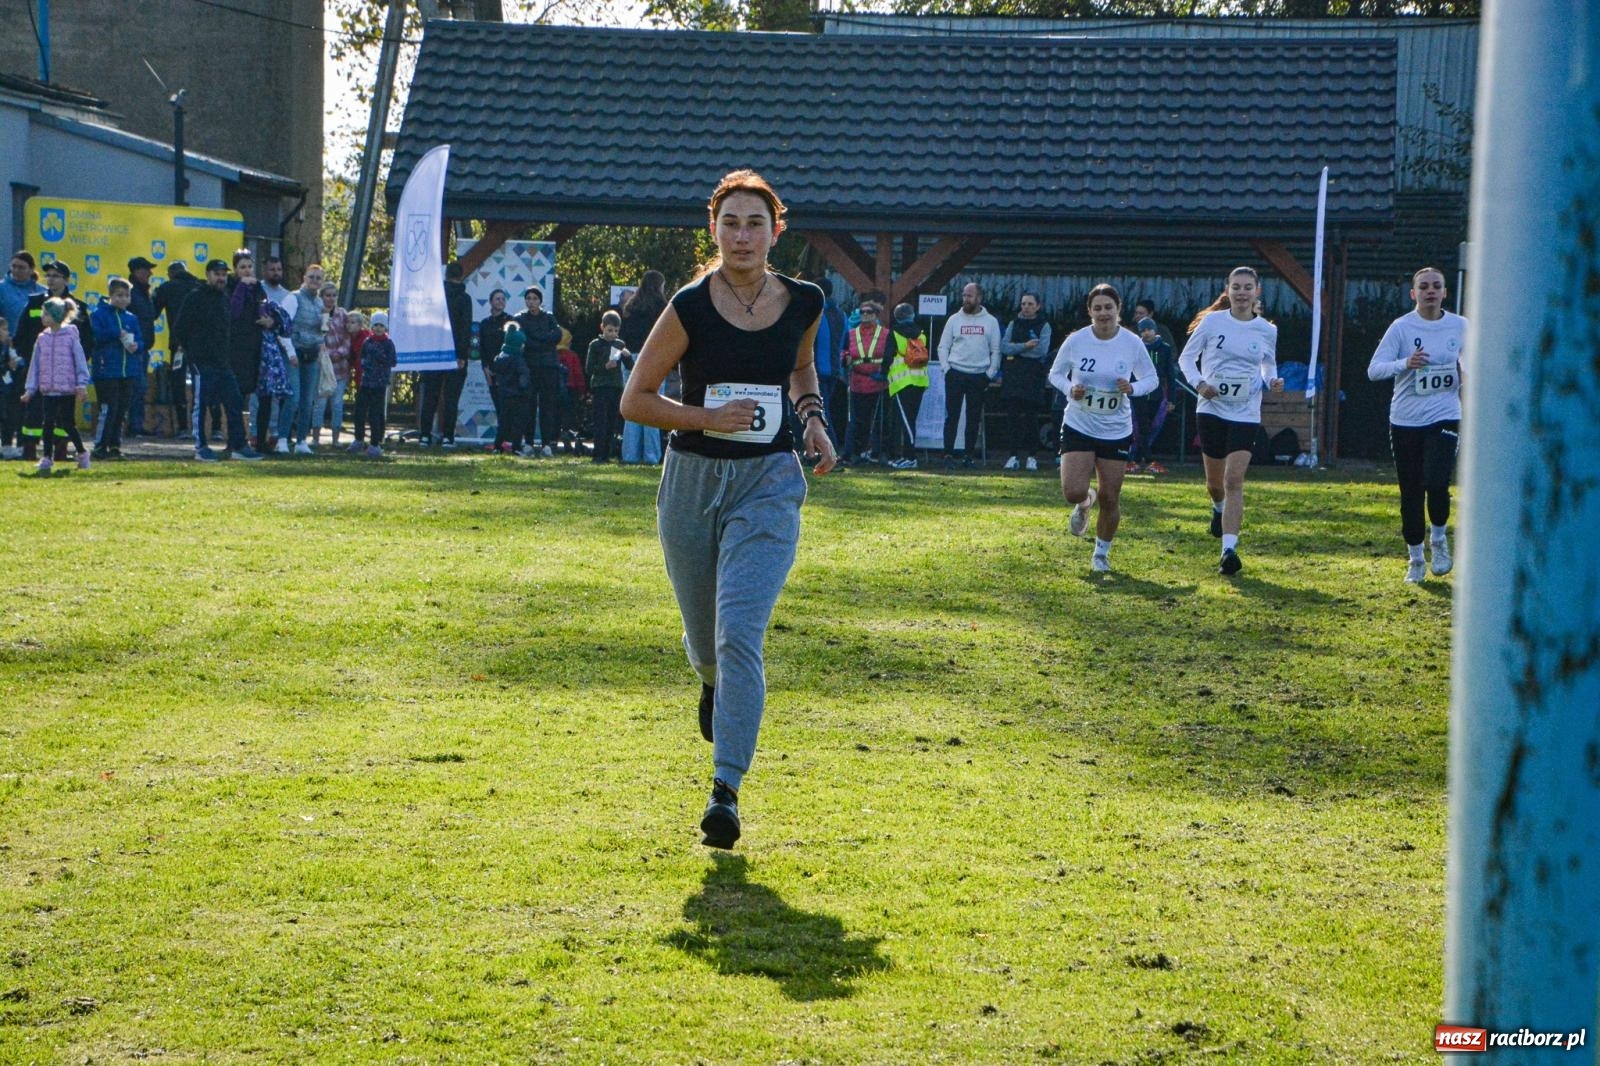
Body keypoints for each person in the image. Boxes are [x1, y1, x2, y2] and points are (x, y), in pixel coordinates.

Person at [619, 169, 836, 850]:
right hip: (692, 480)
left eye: (755, 223)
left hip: (768, 482)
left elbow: (799, 366)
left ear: (777, 231)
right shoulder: (689, 306)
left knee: (740, 632)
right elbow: (635, 399)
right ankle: (712, 682)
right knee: (705, 637)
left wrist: (813, 419)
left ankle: (726, 789)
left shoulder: (805, 301)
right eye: (731, 223)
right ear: (713, 230)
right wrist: (708, 417)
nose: (742, 236)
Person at [1178, 266, 1285, 576]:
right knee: (1215, 485)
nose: (1241, 292)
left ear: (1257, 291)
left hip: (1245, 412)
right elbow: (1186, 358)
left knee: (1233, 480)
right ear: (1228, 290)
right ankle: (1218, 508)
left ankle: (1229, 550)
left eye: (1247, 287)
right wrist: (1200, 384)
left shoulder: (1267, 330)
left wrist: (1272, 380)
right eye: (1236, 287)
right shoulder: (1213, 323)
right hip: (1211, 409)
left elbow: (1268, 364)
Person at [1048, 285, 1160, 572]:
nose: (1103, 313)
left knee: (1110, 496)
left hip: (1115, 429)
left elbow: (1151, 379)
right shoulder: (1076, 341)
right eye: (1097, 308)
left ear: (1118, 309)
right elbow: (1055, 374)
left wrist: (1132, 388)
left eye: (1108, 307)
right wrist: (1070, 388)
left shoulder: (1132, 343)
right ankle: (1085, 502)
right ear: (1090, 311)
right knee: (1073, 491)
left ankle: (1101, 554)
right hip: (1079, 423)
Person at [1368, 266, 1465, 584]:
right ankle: (1415, 558)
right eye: (1424, 287)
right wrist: (1405, 363)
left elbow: (1475, 361)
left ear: (1445, 292)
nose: (1430, 291)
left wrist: (1466, 375)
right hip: (1406, 420)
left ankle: (1438, 540)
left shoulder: (1460, 326)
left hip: (1445, 414)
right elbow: (1374, 370)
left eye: (1436, 286)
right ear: (1414, 293)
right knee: (1411, 490)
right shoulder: (1401, 328)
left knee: (1437, 481)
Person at [177, 260, 261, 462]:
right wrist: (192, 352)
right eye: (217, 274)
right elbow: (180, 327)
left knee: (234, 401)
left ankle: (238, 445)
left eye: (224, 274)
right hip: (201, 361)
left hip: (223, 362)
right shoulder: (195, 297)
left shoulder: (224, 298)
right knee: (201, 404)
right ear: (208, 275)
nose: (221, 278)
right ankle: (201, 447)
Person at [15, 261, 88, 462]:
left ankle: (62, 452)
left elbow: (86, 343)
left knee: (64, 419)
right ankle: (30, 452)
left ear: (66, 280)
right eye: (48, 275)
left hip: (65, 375)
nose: (51, 280)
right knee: (34, 414)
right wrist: (29, 359)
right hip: (40, 370)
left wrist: (76, 374)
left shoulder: (77, 307)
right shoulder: (35, 302)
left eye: (56, 276)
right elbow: (21, 335)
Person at [21, 297, 92, 474]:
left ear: (57, 316)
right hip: (48, 390)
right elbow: (35, 365)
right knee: (48, 423)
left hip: (66, 389)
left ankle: (82, 452)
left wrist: (81, 384)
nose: (42, 317)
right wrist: (30, 389)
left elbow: (80, 361)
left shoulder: (71, 336)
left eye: (46, 314)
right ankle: (47, 457)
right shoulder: (42, 338)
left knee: (68, 423)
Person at [937, 281, 1002, 469]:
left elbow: (996, 350)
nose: (965, 299)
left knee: (973, 418)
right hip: (955, 373)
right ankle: (948, 455)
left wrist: (989, 374)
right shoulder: (954, 319)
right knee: (952, 416)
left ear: (979, 298)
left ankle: (968, 456)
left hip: (978, 375)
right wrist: (946, 368)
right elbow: (943, 346)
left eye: (969, 296)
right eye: (964, 295)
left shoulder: (991, 322)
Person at [88, 277, 146, 459]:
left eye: (126, 295)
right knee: (109, 408)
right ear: (110, 296)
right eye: (119, 295)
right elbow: (96, 337)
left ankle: (115, 445)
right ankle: (100, 446)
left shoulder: (131, 318)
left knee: (122, 409)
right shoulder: (99, 314)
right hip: (106, 370)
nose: (123, 299)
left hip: (128, 370)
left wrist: (137, 346)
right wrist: (115, 333)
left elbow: (141, 339)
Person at [417, 261, 473, 446]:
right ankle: (448, 436)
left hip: (434, 352)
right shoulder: (465, 299)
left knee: (430, 396)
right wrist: (462, 356)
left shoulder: (434, 297)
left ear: (446, 275)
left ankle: (425, 435)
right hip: (455, 354)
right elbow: (465, 329)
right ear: (461, 276)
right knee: (451, 398)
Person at [999, 291, 1052, 471]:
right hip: (1013, 376)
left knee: (1031, 418)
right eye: (1023, 304)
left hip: (1033, 377)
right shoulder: (1013, 323)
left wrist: (1017, 350)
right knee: (1012, 418)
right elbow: (1004, 347)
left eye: (1030, 304)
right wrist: (1025, 346)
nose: (1026, 307)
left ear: (1037, 306)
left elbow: (1041, 350)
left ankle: (1032, 456)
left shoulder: (1044, 325)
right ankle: (1013, 456)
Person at [226, 252, 274, 450]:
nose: (247, 271)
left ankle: (261, 440)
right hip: (237, 348)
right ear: (235, 270)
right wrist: (241, 287)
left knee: (264, 395)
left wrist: (269, 320)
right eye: (242, 267)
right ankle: (235, 440)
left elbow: (265, 309)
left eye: (249, 267)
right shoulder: (231, 287)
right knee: (236, 395)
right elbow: (233, 312)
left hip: (258, 347)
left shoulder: (259, 288)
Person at [153, 262, 202, 438]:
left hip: (178, 344)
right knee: (200, 384)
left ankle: (182, 427)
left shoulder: (167, 288)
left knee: (178, 383)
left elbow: (152, 312)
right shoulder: (199, 286)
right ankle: (205, 427)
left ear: (170, 274)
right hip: (200, 344)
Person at [841, 300, 891, 464]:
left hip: (879, 383)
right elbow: (844, 351)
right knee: (858, 420)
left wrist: (884, 372)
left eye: (869, 312)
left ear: (876, 315)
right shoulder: (851, 334)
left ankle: (877, 452)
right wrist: (845, 358)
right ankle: (854, 452)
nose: (865, 315)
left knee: (879, 421)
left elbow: (890, 355)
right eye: (862, 312)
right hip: (857, 382)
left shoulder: (885, 334)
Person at [285, 263, 327, 454]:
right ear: (304, 278)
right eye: (311, 277)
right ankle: (282, 438)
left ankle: (301, 440)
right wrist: (290, 353)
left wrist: (321, 346)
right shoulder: (294, 298)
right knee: (293, 398)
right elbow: (284, 327)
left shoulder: (320, 304)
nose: (314, 281)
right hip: (294, 354)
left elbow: (321, 331)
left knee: (308, 401)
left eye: (318, 278)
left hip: (312, 355)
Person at [515, 287, 563, 455]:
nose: (531, 302)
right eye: (528, 298)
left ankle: (546, 444)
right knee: (528, 405)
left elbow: (557, 335)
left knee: (547, 406)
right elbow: (524, 340)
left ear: (540, 301)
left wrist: (537, 339)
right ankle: (528, 442)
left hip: (548, 367)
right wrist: (544, 341)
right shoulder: (519, 318)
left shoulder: (549, 317)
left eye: (535, 298)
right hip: (529, 368)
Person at [884, 302, 929, 469]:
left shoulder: (894, 333)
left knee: (906, 421)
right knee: (911, 419)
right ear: (912, 315)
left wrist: (882, 373)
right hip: (920, 381)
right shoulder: (921, 333)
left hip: (902, 382)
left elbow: (888, 357)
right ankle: (906, 456)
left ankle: (910, 458)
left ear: (896, 317)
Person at [1129, 316, 1174, 473]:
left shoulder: (1165, 349)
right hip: (1139, 393)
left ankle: (1137, 459)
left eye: (1149, 329)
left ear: (1155, 330)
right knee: (1141, 426)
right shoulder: (1136, 348)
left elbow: (1170, 374)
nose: (1146, 333)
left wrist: (1171, 399)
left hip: (1156, 394)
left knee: (1150, 427)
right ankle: (1146, 459)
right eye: (1143, 330)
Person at [350, 312, 396, 458]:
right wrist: (366, 365)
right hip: (366, 382)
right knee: (359, 412)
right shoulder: (367, 342)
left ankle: (375, 444)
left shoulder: (388, 343)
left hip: (380, 384)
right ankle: (358, 439)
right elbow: (362, 357)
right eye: (376, 325)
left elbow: (392, 361)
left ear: (385, 327)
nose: (378, 328)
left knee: (375, 414)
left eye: (381, 325)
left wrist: (380, 357)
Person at [122, 257, 159, 437]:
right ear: (136, 271)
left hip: (143, 349)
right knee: (136, 388)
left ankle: (137, 424)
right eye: (146, 270)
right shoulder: (130, 293)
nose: (150, 273)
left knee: (140, 388)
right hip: (133, 350)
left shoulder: (143, 293)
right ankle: (134, 426)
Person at [586, 310, 628, 463]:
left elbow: (630, 366)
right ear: (602, 327)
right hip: (600, 387)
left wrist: (627, 356)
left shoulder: (619, 344)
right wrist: (605, 366)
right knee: (600, 421)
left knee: (611, 421)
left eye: (616, 331)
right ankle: (597, 454)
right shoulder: (595, 345)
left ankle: (607, 455)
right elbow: (589, 368)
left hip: (615, 386)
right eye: (610, 330)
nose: (613, 334)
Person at [316, 284, 351, 445]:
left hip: (340, 367)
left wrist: (340, 353)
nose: (331, 299)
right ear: (321, 296)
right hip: (322, 367)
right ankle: (315, 437)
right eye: (327, 295)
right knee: (320, 404)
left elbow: (348, 336)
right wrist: (327, 355)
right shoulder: (317, 313)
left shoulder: (343, 314)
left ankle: (336, 439)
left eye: (334, 295)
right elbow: (316, 337)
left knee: (337, 404)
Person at [491, 321, 530, 453]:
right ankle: (516, 447)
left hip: (503, 394)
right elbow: (524, 377)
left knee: (503, 422)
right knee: (518, 422)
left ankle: (497, 446)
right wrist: (525, 389)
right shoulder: (518, 360)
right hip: (517, 395)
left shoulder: (499, 359)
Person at [2, 251, 45, 334]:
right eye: (13, 266)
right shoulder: (2, 288)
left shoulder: (42, 291)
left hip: (36, 338)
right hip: (10, 339)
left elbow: (46, 314)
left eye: (21, 267)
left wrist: (31, 313)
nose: (16, 270)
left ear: (31, 269)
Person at [0, 319, 21, 457]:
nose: (7, 332)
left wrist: (13, 363)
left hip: (6, 388)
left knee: (9, 416)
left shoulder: (6, 346)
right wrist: (6, 366)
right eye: (4, 329)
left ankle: (7, 446)